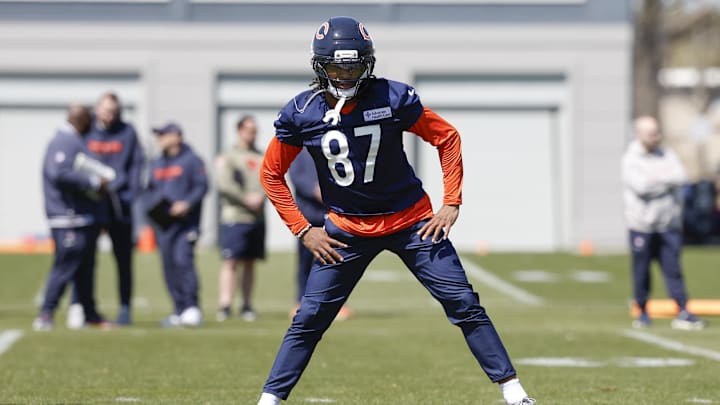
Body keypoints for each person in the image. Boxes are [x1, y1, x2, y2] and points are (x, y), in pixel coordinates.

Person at [256, 16, 535, 405]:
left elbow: (447, 137)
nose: (346, 74)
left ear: (367, 64)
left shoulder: (392, 98)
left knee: (464, 303)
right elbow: (271, 173)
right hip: (346, 230)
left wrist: (451, 201)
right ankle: (269, 400)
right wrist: (303, 229)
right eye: (337, 66)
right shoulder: (303, 111)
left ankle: (514, 392)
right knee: (308, 319)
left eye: (353, 66)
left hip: (411, 222)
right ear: (320, 67)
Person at [66, 92, 145, 328]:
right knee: (84, 257)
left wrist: (126, 191)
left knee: (123, 260)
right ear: (97, 109)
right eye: (106, 110)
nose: (110, 115)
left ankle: (124, 308)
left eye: (114, 111)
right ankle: (78, 306)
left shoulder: (128, 132)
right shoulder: (86, 130)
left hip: (119, 206)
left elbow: (136, 166)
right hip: (90, 204)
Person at [622, 116, 706, 330]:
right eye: (651, 133)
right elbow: (641, 187)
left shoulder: (667, 154)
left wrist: (657, 181)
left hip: (668, 224)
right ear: (639, 134)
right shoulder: (631, 158)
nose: (656, 137)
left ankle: (683, 310)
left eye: (657, 132)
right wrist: (665, 181)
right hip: (642, 225)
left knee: (673, 269)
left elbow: (680, 176)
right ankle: (641, 310)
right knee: (641, 270)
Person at [33, 104, 112, 331]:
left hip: (82, 217)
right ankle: (46, 313)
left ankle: (90, 314)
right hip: (68, 217)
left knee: (86, 267)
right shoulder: (63, 141)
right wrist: (94, 182)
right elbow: (60, 173)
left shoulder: (74, 140)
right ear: (82, 120)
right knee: (66, 264)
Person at [145, 122, 208, 327]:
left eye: (163, 134)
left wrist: (186, 204)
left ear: (176, 136)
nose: (159, 139)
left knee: (183, 262)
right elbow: (150, 190)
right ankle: (179, 308)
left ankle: (192, 307)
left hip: (185, 225)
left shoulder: (192, 160)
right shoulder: (156, 163)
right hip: (164, 226)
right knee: (168, 267)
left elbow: (202, 186)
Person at [287, 148, 352, 321]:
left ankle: (335, 304)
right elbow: (298, 178)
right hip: (308, 216)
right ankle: (300, 302)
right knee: (305, 263)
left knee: (336, 261)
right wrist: (316, 190)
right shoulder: (298, 151)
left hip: (332, 216)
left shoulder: (330, 146)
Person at [214, 115, 267, 322]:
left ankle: (246, 304)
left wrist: (260, 197)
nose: (252, 133)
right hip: (235, 216)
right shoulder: (229, 156)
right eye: (248, 129)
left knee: (250, 262)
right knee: (230, 261)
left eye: (255, 130)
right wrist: (245, 198)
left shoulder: (262, 156)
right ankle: (225, 305)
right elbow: (224, 184)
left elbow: (271, 179)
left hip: (257, 217)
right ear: (239, 130)